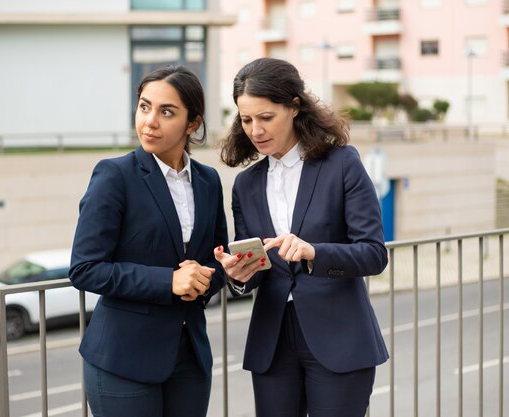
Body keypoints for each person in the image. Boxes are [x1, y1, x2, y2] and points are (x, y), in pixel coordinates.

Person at [213, 57, 389, 417]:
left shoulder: (342, 164)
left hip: (339, 339)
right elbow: (257, 269)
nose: (255, 130)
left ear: (294, 107)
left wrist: (314, 253)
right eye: (246, 120)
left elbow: (373, 254)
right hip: (273, 343)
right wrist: (240, 275)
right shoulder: (245, 185)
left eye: (266, 118)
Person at [69, 65, 228, 417]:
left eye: (166, 111)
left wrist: (209, 278)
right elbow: (84, 268)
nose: (149, 121)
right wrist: (169, 281)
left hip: (189, 357)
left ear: (192, 123)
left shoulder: (208, 180)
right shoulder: (114, 176)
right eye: (144, 106)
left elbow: (218, 257)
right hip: (123, 360)